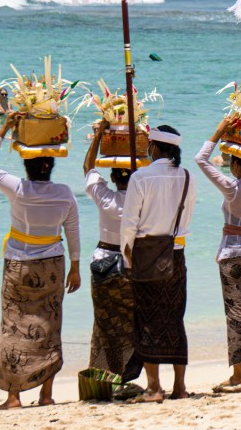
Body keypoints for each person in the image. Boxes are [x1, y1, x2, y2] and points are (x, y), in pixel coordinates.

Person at [0, 114, 80, 410]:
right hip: (52, 266)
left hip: (18, 265)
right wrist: (75, 266)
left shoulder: (17, 189)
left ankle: (13, 397)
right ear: (50, 167)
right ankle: (46, 395)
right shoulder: (64, 193)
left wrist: (6, 128)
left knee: (13, 326)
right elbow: (72, 231)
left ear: (27, 166)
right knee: (49, 326)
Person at [120, 125, 197, 403]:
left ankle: (154, 387)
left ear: (154, 147)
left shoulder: (141, 177)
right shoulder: (187, 177)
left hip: (146, 253)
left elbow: (129, 223)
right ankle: (180, 386)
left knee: (147, 318)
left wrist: (126, 258)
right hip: (176, 254)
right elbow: (186, 218)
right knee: (175, 317)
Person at [195, 118, 241, 388]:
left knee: (236, 312)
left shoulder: (232, 187)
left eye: (231, 161)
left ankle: (238, 374)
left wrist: (219, 130)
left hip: (232, 255)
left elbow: (201, 160)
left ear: (237, 165)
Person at [83, 119, 141, 384]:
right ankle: (126, 372)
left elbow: (88, 167)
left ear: (114, 177)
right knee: (130, 321)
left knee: (104, 322)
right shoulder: (142, 201)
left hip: (105, 262)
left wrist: (98, 135)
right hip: (133, 264)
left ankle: (104, 374)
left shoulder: (106, 197)